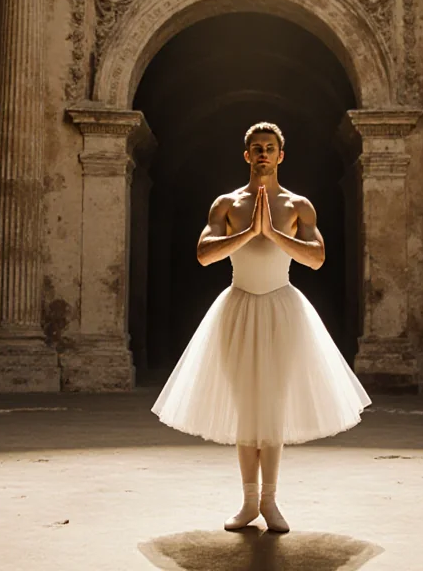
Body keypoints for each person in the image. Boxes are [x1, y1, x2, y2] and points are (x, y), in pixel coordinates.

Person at [151, 122, 372, 533]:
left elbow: (317, 258)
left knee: (270, 406)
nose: (263, 153)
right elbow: (203, 254)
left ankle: (270, 502)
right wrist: (249, 232)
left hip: (282, 308)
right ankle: (248, 502)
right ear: (247, 155)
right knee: (245, 406)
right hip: (237, 307)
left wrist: (271, 232)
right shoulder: (227, 203)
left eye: (270, 148)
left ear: (281, 155)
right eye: (256, 148)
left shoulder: (298, 205)